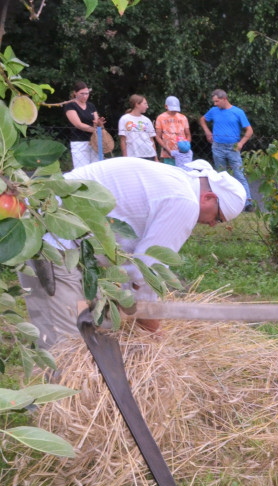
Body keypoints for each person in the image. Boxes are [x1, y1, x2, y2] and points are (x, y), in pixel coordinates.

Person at [19, 158, 246, 350]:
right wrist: (154, 337)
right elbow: (146, 273)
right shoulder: (184, 201)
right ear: (209, 198)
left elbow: (133, 269)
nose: (213, 225)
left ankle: (87, 398)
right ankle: (62, 401)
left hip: (60, 233)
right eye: (217, 218)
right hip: (53, 236)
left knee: (99, 329)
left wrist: (136, 311)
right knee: (65, 344)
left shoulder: (175, 181)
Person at [199, 89, 254, 211]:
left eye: (217, 101)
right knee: (221, 175)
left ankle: (247, 203)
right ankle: (224, 203)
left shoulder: (237, 112)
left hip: (233, 147)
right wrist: (207, 132)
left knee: (239, 174)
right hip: (217, 147)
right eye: (214, 101)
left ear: (224, 99)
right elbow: (202, 120)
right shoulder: (214, 111)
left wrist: (241, 143)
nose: (215, 104)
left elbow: (249, 130)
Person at [63, 81, 105, 168]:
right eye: (82, 93)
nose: (85, 96)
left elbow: (96, 122)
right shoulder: (70, 106)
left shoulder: (91, 106)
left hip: (94, 141)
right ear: (75, 93)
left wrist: (99, 124)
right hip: (79, 142)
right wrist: (95, 129)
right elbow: (78, 124)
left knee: (96, 169)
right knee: (81, 171)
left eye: (87, 93)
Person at [155, 96, 193, 167]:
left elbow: (188, 134)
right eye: (172, 109)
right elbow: (158, 137)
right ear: (166, 106)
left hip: (182, 153)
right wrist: (167, 149)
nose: (174, 111)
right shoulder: (160, 118)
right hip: (167, 153)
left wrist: (185, 147)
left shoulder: (183, 118)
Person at [117, 95, 158, 161]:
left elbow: (151, 140)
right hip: (133, 156)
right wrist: (125, 158)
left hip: (149, 155)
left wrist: (156, 158)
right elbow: (123, 140)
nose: (147, 106)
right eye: (145, 104)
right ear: (137, 104)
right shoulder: (124, 119)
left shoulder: (147, 120)